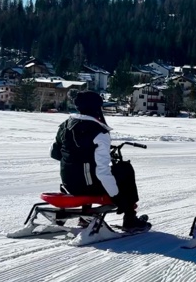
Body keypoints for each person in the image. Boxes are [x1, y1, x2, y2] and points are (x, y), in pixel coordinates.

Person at [50, 91, 148, 230]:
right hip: (89, 187)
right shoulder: (99, 131)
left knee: (87, 170)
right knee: (125, 169)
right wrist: (116, 196)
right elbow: (102, 171)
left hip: (68, 184)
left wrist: (75, 156)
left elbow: (54, 153)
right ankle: (130, 217)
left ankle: (85, 218)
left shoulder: (65, 126)